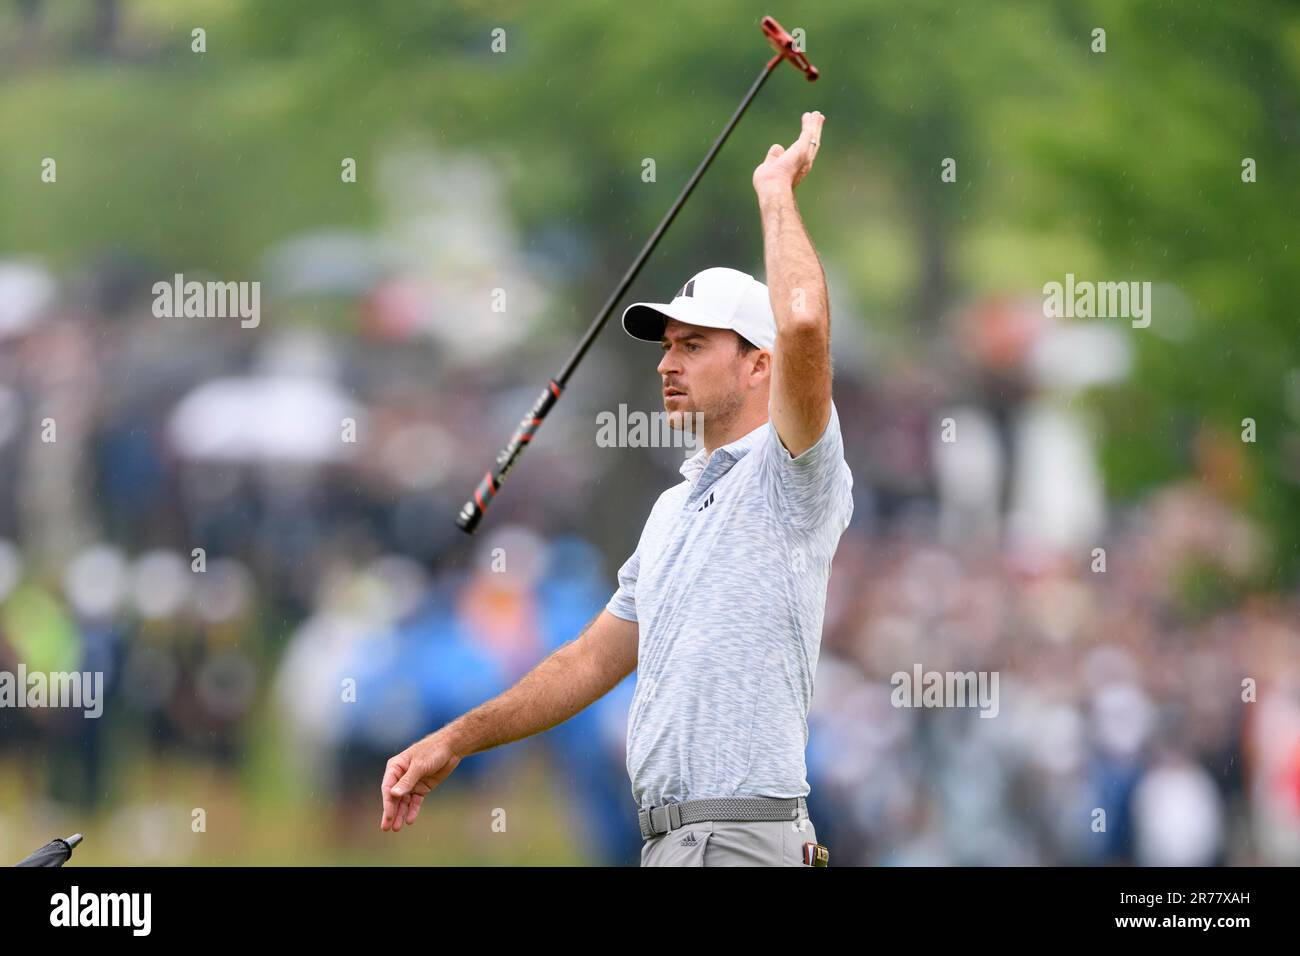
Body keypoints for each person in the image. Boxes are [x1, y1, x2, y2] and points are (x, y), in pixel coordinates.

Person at [380, 111, 852, 866]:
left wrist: (774, 192)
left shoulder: (792, 474)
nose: (667, 364)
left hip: (742, 838)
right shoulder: (671, 509)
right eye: (667, 347)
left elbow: (801, 325)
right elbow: (587, 663)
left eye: (693, 345)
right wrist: (456, 740)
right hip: (672, 842)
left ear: (757, 365)